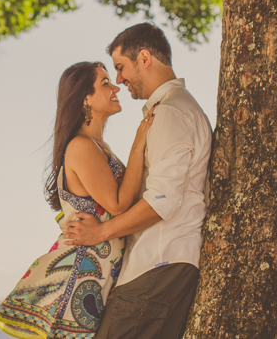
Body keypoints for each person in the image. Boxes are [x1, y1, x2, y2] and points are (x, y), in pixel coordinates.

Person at [64, 23, 212, 339]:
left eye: (120, 68)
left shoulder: (171, 112)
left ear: (144, 58)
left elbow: (162, 201)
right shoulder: (168, 110)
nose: (118, 80)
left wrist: (100, 231)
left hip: (159, 261)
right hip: (156, 264)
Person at [0, 61, 156, 339]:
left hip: (97, 277)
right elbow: (117, 204)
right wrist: (139, 143)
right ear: (85, 99)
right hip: (80, 279)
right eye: (105, 83)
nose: (116, 87)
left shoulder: (98, 147)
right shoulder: (81, 146)